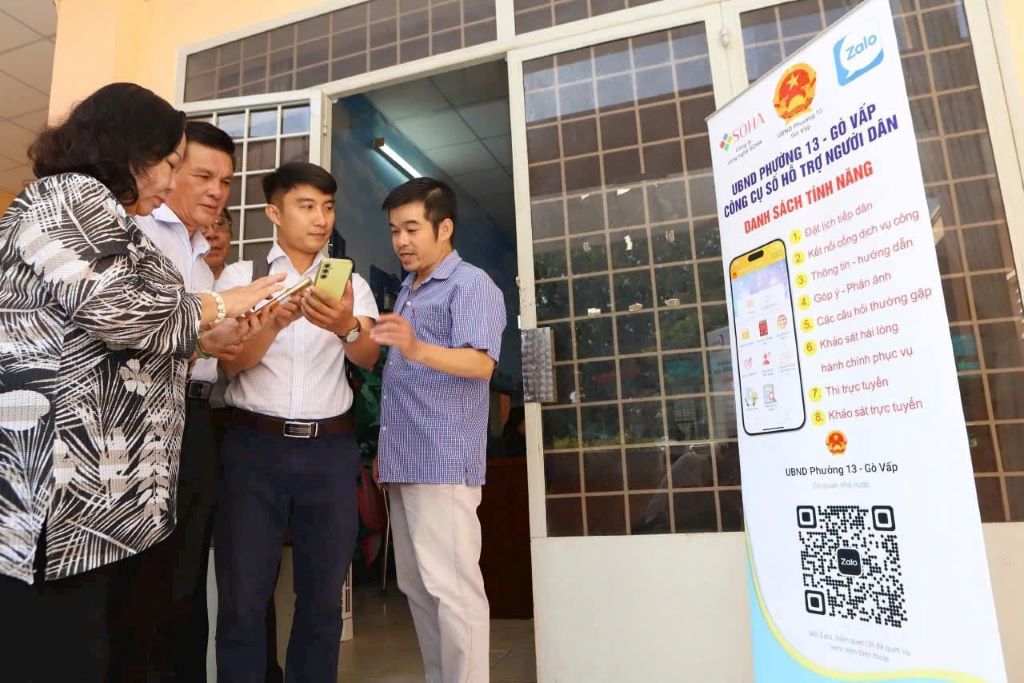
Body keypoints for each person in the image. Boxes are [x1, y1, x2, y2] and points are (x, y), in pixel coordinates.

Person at [0, 82, 283, 682]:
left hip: (97, 491)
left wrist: (203, 339)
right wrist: (220, 303)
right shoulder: (69, 198)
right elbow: (119, 311)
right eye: (171, 163)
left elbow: (120, 333)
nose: (170, 180)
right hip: (61, 486)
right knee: (60, 651)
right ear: (129, 151)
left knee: (103, 643)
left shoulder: (99, 210)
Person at [215, 162, 380, 682]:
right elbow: (232, 364)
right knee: (243, 597)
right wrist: (271, 324)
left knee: (322, 600)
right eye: (306, 206)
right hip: (253, 448)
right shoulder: (242, 279)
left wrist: (346, 325)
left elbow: (368, 357)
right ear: (274, 212)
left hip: (329, 453)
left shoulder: (350, 284)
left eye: (327, 207)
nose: (320, 219)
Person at [107, 120, 239, 682]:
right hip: (141, 422)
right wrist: (201, 337)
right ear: (169, 170)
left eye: (226, 182)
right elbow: (129, 335)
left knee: (186, 576)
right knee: (143, 577)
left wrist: (223, 339)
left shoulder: (199, 255)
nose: (216, 191)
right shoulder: (135, 231)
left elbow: (191, 342)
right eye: (203, 176)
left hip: (197, 419)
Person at [372, 177, 507, 683]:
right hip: (405, 460)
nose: (401, 241)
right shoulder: (410, 289)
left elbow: (480, 364)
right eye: (394, 231)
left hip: (444, 460)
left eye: (412, 229)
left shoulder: (471, 284)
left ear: (443, 228)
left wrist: (414, 347)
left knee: (453, 591)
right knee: (418, 587)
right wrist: (386, 449)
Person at [203, 208, 233, 279]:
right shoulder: (178, 282)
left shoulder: (247, 281)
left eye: (220, 223)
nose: (211, 234)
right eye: (200, 226)